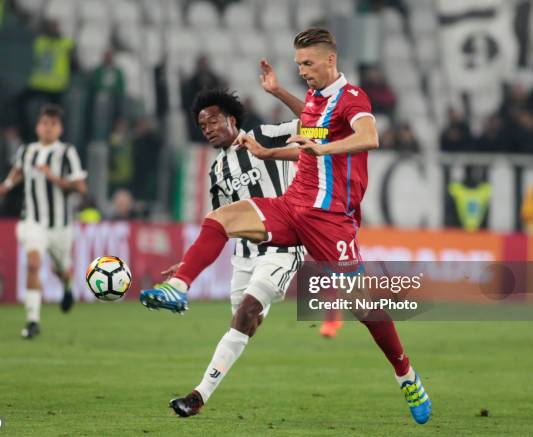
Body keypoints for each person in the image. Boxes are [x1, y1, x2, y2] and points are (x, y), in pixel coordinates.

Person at [139, 28, 431, 425]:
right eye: (299, 65)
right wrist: (271, 143)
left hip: (330, 219)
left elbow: (370, 137)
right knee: (221, 218)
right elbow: (309, 134)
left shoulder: (353, 98)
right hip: (293, 205)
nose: (303, 71)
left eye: (308, 64)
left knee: (363, 306)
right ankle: (178, 287)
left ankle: (406, 375)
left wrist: (324, 148)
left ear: (331, 60)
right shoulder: (314, 100)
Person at [157, 85, 305, 417]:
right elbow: (220, 228)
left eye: (211, 121)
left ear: (232, 119)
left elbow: (311, 121)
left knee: (248, 311)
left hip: (283, 245)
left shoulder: (265, 135)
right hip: (245, 256)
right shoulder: (217, 172)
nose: (207, 129)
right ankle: (252, 311)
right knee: (243, 319)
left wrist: (278, 90)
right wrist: (188, 262)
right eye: (201, 126)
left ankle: (198, 396)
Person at [0, 104, 87, 339]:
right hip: (32, 221)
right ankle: (33, 320)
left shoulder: (67, 153)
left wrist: (52, 176)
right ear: (37, 127)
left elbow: (80, 187)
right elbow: (18, 171)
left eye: (53, 125)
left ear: (60, 129)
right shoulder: (27, 151)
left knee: (62, 270)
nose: (48, 128)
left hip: (59, 227)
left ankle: (67, 286)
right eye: (44, 123)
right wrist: (6, 185)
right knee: (33, 263)